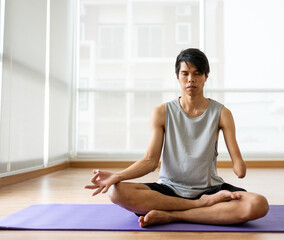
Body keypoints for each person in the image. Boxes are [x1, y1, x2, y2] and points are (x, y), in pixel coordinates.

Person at [84, 48, 269, 227]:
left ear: (206, 77)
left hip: (211, 189)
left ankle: (171, 216)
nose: (191, 79)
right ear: (177, 77)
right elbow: (150, 161)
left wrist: (239, 165)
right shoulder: (162, 112)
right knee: (117, 192)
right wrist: (117, 176)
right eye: (185, 73)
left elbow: (240, 170)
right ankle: (199, 207)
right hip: (169, 191)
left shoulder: (222, 113)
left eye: (197, 73)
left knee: (258, 204)